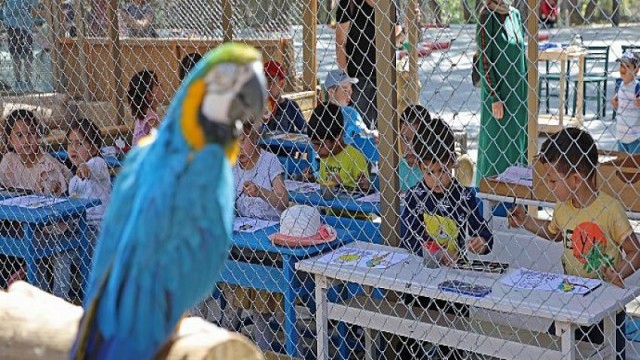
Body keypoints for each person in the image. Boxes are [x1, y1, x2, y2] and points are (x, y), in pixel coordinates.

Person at [509, 128, 640, 360]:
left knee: (609, 354)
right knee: (557, 349)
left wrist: (618, 272)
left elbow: (635, 251)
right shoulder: (562, 207)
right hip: (570, 297)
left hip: (605, 302)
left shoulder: (610, 209)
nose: (549, 185)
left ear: (576, 179)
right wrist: (525, 221)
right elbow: (554, 234)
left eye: (552, 180)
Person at [398, 116, 493, 358]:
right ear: (420, 166)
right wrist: (438, 252)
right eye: (430, 172)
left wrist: (480, 243)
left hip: (455, 285)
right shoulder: (414, 197)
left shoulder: (463, 196)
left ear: (452, 162)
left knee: (454, 346)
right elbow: (409, 238)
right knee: (412, 344)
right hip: (420, 284)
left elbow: (484, 234)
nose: (438, 179)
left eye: (443, 171)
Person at [0, 109, 73, 295]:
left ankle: (58, 301)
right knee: (32, 256)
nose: (27, 140)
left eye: (31, 133)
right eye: (20, 135)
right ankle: (36, 292)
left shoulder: (47, 165)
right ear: (9, 140)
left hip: (56, 225)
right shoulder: (9, 162)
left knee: (58, 258)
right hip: (28, 225)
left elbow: (58, 199)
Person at [475, 0, 527, 184]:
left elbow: (521, 55)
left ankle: (520, 191)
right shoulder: (486, 17)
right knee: (496, 146)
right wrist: (494, 96)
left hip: (518, 94)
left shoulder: (515, 15)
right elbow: (485, 61)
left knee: (518, 142)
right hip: (499, 96)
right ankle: (491, 194)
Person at [335, 0, 407, 128]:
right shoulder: (349, 3)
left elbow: (394, 41)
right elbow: (340, 42)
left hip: (385, 76)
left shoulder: (389, 4)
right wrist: (345, 78)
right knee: (360, 128)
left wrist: (407, 28)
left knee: (387, 128)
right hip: (358, 78)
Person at [303, 102, 370, 192]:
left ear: (337, 139)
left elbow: (365, 191)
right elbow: (322, 185)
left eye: (320, 145)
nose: (316, 149)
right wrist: (311, 180)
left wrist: (364, 185)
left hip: (348, 204)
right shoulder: (325, 156)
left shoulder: (355, 157)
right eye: (314, 144)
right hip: (326, 205)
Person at [233, 122, 289, 221]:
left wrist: (260, 192)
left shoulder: (269, 160)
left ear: (254, 137)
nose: (238, 148)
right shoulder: (232, 165)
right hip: (244, 227)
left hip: (271, 224)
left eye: (242, 140)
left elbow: (283, 202)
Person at [325, 69, 378, 146]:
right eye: (346, 90)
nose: (349, 95)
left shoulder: (350, 112)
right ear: (331, 92)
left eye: (350, 90)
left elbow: (365, 132)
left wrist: (373, 133)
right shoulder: (321, 114)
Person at [262, 60, 306, 134]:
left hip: (285, 145)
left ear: (281, 84)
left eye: (270, 81)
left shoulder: (290, 106)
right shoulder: (257, 106)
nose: (267, 86)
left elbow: (304, 129)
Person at [1, 0, 36, 91]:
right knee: (18, 55)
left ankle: (24, 82)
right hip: (15, 27)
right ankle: (20, 82)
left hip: (22, 27)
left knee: (25, 55)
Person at [611, 50, 640, 153]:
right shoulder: (620, 84)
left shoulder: (637, 86)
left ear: (636, 70)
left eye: (627, 66)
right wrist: (614, 101)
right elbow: (618, 100)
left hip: (635, 137)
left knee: (634, 166)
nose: (623, 69)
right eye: (621, 65)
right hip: (621, 136)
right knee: (622, 165)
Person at [128, 69, 163, 146]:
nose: (161, 85)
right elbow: (160, 136)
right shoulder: (150, 116)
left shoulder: (142, 112)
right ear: (149, 95)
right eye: (157, 84)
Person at [399, 104, 429, 191]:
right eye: (405, 139)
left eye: (417, 140)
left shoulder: (434, 169)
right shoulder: (400, 167)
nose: (409, 147)